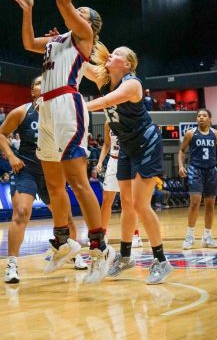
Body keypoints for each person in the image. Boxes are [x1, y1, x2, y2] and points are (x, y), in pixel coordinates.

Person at [11, 0, 114, 284]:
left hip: (68, 104)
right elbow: (28, 42)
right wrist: (28, 11)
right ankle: (63, 240)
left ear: (89, 24)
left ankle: (100, 246)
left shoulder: (83, 37)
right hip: (47, 110)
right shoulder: (57, 40)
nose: (75, 12)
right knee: (54, 184)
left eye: (80, 13)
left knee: (77, 180)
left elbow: (62, 0)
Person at [84, 44, 173, 284]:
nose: (111, 54)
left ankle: (161, 261)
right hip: (126, 146)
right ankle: (124, 257)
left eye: (118, 53)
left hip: (147, 144)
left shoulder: (132, 84)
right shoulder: (105, 79)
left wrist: (77, 107)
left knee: (140, 204)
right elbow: (79, 65)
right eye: (111, 52)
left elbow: (105, 102)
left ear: (128, 64)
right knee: (126, 204)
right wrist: (62, 46)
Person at [0, 76, 88, 284]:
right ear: (32, 91)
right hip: (26, 169)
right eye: (37, 83)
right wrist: (11, 156)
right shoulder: (21, 112)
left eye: (45, 82)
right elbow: (0, 134)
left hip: (52, 171)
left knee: (66, 219)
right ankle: (12, 264)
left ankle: (73, 254)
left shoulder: (60, 114)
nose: (42, 85)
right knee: (21, 213)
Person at [178, 108, 217, 249]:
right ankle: (190, 236)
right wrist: (180, 166)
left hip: (211, 171)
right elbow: (181, 150)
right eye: (199, 116)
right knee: (195, 202)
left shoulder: (216, 134)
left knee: (210, 204)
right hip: (195, 170)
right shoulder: (190, 133)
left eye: (204, 115)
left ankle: (207, 236)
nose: (201, 117)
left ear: (210, 119)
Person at [97, 121, 143, 248]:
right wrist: (100, 161)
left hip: (127, 162)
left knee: (128, 203)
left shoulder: (131, 120)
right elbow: (107, 144)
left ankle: (135, 235)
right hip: (113, 161)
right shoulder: (108, 123)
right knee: (106, 201)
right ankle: (102, 234)